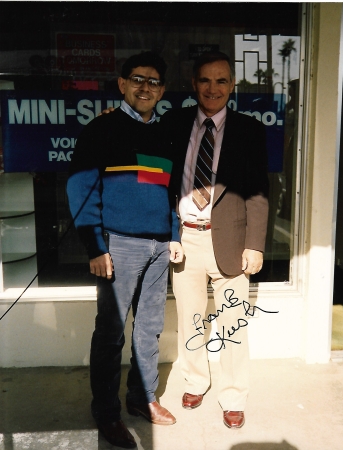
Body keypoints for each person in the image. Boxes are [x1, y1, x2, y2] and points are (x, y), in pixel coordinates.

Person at [67, 51, 183, 449]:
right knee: (112, 334)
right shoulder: (101, 131)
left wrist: (175, 236)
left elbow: (172, 192)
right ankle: (107, 413)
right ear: (121, 84)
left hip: (158, 247)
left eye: (153, 81)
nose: (145, 87)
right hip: (119, 247)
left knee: (149, 329)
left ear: (162, 90)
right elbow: (81, 191)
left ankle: (142, 398)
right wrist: (96, 247)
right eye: (137, 79)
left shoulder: (167, 133)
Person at [161, 51, 269, 429]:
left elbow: (257, 192)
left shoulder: (250, 130)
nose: (213, 89)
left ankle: (234, 395)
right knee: (191, 321)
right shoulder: (173, 123)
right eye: (205, 81)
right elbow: (157, 181)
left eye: (221, 81)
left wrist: (255, 244)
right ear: (194, 85)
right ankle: (196, 380)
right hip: (186, 240)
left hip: (233, 243)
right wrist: (167, 233)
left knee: (232, 327)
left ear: (232, 86)